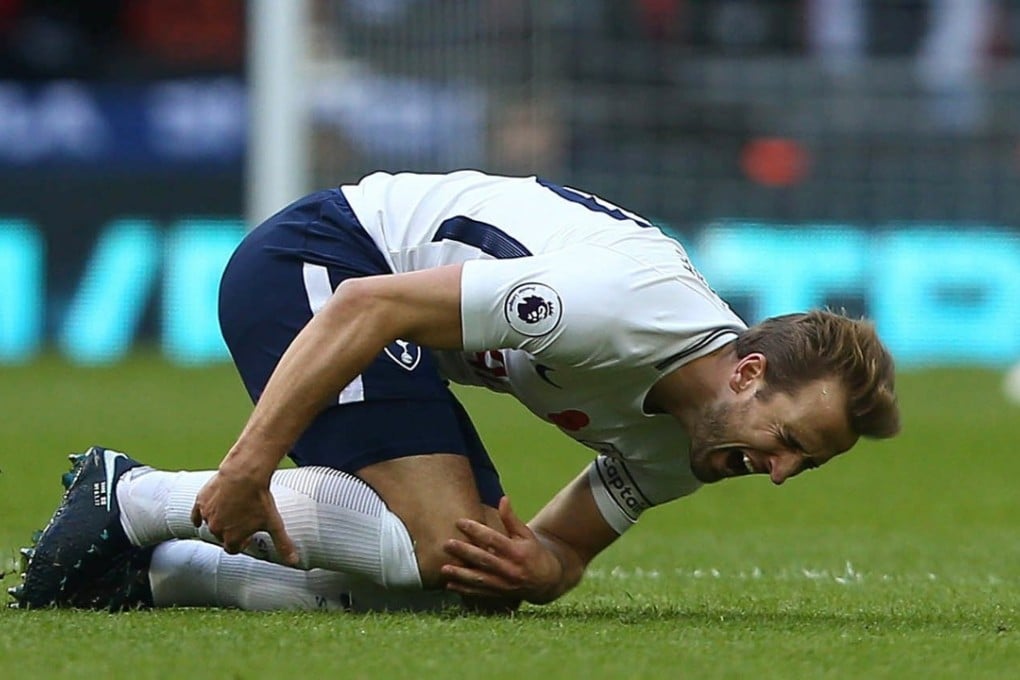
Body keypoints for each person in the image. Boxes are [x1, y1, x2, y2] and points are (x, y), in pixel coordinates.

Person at [12, 170, 900, 612]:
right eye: (789, 440)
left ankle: (156, 578)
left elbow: (560, 553)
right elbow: (368, 305)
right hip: (324, 262)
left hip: (387, 320)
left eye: (803, 466)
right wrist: (250, 465)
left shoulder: (700, 444)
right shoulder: (610, 312)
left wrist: (540, 571)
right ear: (748, 372)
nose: (779, 472)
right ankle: (129, 497)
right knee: (430, 547)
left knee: (457, 578)